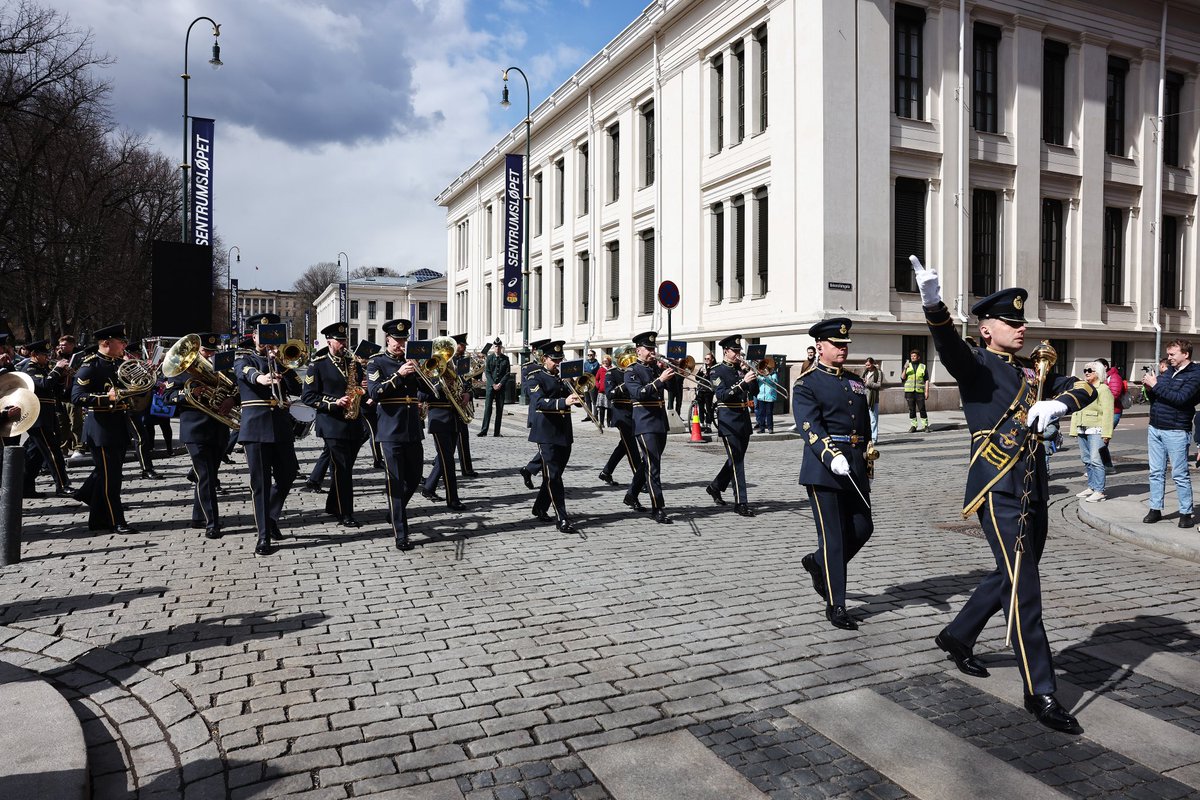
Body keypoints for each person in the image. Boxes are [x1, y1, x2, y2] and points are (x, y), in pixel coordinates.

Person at [913, 256, 1095, 734]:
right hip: (999, 490)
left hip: (1034, 487)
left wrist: (1060, 400)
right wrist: (933, 305)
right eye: (1011, 322)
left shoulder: (1032, 373)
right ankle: (1041, 690)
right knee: (1024, 588)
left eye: (1022, 321)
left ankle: (957, 635)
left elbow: (1086, 387)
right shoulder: (976, 367)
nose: (1022, 327)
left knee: (1012, 573)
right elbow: (948, 346)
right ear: (987, 328)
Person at [792, 318, 873, 631]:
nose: (842, 349)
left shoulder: (855, 382)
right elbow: (809, 426)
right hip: (824, 468)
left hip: (853, 464)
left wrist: (865, 461)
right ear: (820, 347)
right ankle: (836, 605)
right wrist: (830, 455)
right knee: (834, 538)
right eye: (837, 345)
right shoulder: (807, 384)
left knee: (864, 527)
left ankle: (818, 562)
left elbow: (864, 427)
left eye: (845, 345)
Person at [235, 313, 303, 555]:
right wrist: (262, 377)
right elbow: (246, 374)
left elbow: (299, 388)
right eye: (262, 338)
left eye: (271, 338)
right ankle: (263, 537)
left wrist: (282, 364)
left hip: (281, 427)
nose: (267, 343)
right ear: (254, 336)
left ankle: (272, 515)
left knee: (289, 474)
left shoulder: (281, 361)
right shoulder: (244, 359)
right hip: (256, 428)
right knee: (260, 484)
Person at [69, 323, 139, 533]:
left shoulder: (119, 364)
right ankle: (116, 520)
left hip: (118, 425)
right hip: (101, 429)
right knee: (111, 479)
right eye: (121, 341)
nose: (124, 345)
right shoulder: (91, 366)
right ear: (107, 343)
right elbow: (77, 397)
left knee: (109, 474)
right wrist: (105, 398)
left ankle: (95, 515)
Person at [163, 332, 232, 539]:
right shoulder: (181, 371)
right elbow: (168, 397)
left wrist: (231, 399)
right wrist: (190, 394)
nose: (209, 355)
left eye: (212, 351)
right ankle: (212, 522)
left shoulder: (223, 367)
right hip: (194, 429)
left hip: (219, 428)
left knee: (208, 474)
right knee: (206, 476)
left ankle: (198, 516)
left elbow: (235, 389)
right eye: (205, 351)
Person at [367, 319, 425, 550]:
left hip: (412, 429)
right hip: (390, 430)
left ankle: (394, 511)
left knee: (414, 477)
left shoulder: (412, 363)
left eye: (403, 339)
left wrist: (422, 372)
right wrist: (399, 375)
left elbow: (428, 392)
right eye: (397, 340)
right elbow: (375, 391)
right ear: (387, 340)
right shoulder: (376, 363)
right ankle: (401, 533)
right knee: (396, 482)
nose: (400, 344)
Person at [302, 322, 366, 528]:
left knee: (344, 468)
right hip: (331, 423)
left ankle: (332, 504)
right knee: (343, 469)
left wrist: (363, 389)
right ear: (329, 341)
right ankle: (346, 512)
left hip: (353, 422)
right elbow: (308, 396)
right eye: (339, 340)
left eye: (344, 340)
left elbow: (360, 388)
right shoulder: (318, 364)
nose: (343, 343)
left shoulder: (351, 363)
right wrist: (333, 403)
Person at [1140, 339, 1200, 527]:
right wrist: (1150, 389)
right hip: (1155, 427)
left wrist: (1156, 385)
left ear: (1186, 354)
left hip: (1176, 429)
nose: (1169, 358)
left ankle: (1185, 513)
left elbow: (1181, 399)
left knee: (1180, 473)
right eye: (1168, 354)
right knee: (1156, 471)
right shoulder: (1169, 372)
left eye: (1173, 354)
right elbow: (1157, 397)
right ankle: (1155, 508)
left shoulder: (1196, 375)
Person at [524, 340, 581, 532]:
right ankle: (562, 517)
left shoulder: (563, 378)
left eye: (559, 359)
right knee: (554, 476)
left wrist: (576, 387)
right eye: (554, 360)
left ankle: (540, 507)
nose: (558, 363)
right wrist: (564, 401)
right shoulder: (535, 377)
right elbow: (539, 402)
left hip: (564, 431)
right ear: (545, 358)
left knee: (554, 475)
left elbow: (579, 402)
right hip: (546, 432)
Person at [624, 331, 675, 524]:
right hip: (644, 422)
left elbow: (673, 391)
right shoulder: (631, 370)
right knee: (654, 465)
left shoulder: (656, 368)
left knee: (648, 463)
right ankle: (657, 507)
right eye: (649, 349)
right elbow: (639, 393)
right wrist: (660, 380)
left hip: (660, 421)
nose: (653, 352)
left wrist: (674, 372)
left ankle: (631, 495)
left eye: (654, 349)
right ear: (639, 350)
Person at [706, 334, 758, 516]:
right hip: (728, 420)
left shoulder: (741, 369)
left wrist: (752, 377)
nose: (738, 354)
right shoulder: (716, 370)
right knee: (738, 461)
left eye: (739, 351)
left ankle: (715, 486)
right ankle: (741, 502)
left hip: (743, 419)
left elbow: (755, 392)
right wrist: (743, 383)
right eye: (735, 351)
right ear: (726, 351)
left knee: (736, 459)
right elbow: (722, 395)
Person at [420, 340, 468, 511]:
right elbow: (421, 394)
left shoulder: (453, 366)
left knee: (445, 457)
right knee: (448, 461)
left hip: (454, 417)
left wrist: (466, 394)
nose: (446, 357)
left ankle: (429, 487)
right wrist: (439, 386)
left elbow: (462, 383)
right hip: (439, 418)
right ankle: (452, 499)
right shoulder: (429, 369)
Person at [21, 339, 72, 498]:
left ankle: (25, 487)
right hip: (38, 417)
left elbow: (55, 390)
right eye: (44, 354)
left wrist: (63, 376)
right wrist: (57, 370)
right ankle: (62, 486)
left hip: (46, 415)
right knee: (53, 452)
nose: (47, 357)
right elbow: (44, 384)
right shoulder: (29, 369)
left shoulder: (43, 368)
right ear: (34, 355)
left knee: (35, 455)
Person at [598, 348, 641, 489]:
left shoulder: (635, 371)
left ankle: (606, 471)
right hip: (621, 413)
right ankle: (640, 481)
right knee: (632, 447)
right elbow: (609, 394)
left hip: (635, 412)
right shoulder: (612, 373)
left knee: (624, 445)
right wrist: (625, 384)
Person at [1073, 361, 1114, 502]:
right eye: (1085, 370)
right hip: (1082, 427)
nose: (1086, 372)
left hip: (1096, 429)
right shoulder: (1084, 388)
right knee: (1086, 459)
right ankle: (1091, 486)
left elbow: (1108, 412)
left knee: (1096, 460)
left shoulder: (1103, 389)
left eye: (1090, 370)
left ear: (1099, 372)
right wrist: (1074, 428)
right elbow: (1076, 408)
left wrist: (1107, 434)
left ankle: (1099, 491)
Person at [517, 340, 551, 489]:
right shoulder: (529, 368)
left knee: (550, 450)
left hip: (555, 413)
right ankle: (535, 473)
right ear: (534, 352)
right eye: (539, 351)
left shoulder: (554, 368)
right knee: (547, 450)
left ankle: (530, 470)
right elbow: (527, 391)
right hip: (539, 412)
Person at [478, 338, 511, 437]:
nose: (497, 348)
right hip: (490, 387)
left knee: (499, 410)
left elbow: (507, 373)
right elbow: (487, 372)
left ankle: (497, 432)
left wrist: (500, 384)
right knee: (488, 408)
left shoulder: (506, 358)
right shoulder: (489, 358)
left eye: (499, 346)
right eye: (496, 346)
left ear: (501, 347)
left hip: (501, 387)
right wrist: (493, 384)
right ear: (493, 347)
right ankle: (484, 430)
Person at [902, 349, 930, 432]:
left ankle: (925, 426)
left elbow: (927, 380)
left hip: (919, 392)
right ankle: (913, 426)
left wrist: (927, 392)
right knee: (912, 409)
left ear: (918, 357)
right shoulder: (907, 366)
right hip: (909, 392)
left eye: (914, 356)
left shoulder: (923, 366)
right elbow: (902, 378)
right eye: (911, 356)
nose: (912, 357)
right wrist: (905, 368)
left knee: (922, 408)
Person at [862, 357, 883, 442]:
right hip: (864, 397)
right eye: (866, 365)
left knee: (873, 419)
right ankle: (867, 437)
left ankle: (874, 438)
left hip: (873, 399)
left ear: (872, 364)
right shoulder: (865, 372)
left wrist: (868, 383)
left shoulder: (878, 372)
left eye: (868, 365)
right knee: (865, 419)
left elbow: (878, 385)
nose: (867, 366)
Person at [754, 360, 778, 434]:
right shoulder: (759, 375)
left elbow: (774, 382)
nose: (764, 369)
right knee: (761, 413)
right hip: (761, 396)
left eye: (765, 367)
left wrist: (767, 375)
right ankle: (762, 428)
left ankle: (770, 428)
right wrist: (757, 375)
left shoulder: (773, 374)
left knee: (769, 413)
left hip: (770, 396)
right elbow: (756, 383)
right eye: (763, 367)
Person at [695, 352, 716, 433]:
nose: (706, 360)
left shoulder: (714, 368)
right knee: (700, 407)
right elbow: (697, 378)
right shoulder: (703, 367)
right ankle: (701, 424)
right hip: (701, 389)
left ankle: (708, 425)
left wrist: (706, 373)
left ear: (712, 359)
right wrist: (701, 371)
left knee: (708, 408)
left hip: (708, 390)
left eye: (708, 359)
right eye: (705, 359)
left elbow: (713, 379)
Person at [594, 355, 611, 430]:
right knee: (601, 409)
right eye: (604, 361)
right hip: (601, 392)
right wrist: (598, 386)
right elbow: (596, 379)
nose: (605, 362)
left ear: (609, 361)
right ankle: (601, 423)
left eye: (606, 361)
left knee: (610, 408)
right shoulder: (600, 369)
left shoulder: (611, 369)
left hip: (609, 392)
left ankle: (609, 422)